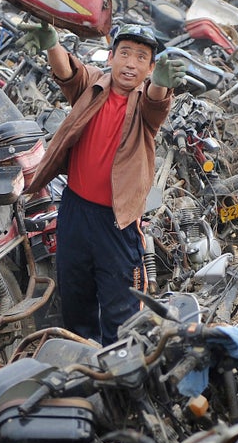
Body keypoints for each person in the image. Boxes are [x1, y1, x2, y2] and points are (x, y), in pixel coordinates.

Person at [21, 19, 186, 345]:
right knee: (76, 300)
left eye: (141, 57)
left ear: (151, 67)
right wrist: (52, 43)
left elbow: (157, 101)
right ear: (110, 57)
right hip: (74, 212)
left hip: (118, 222)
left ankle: (120, 376)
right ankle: (84, 369)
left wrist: (161, 84)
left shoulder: (144, 105)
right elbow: (68, 73)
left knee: (120, 312)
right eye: (125, 53)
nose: (131, 63)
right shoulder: (93, 85)